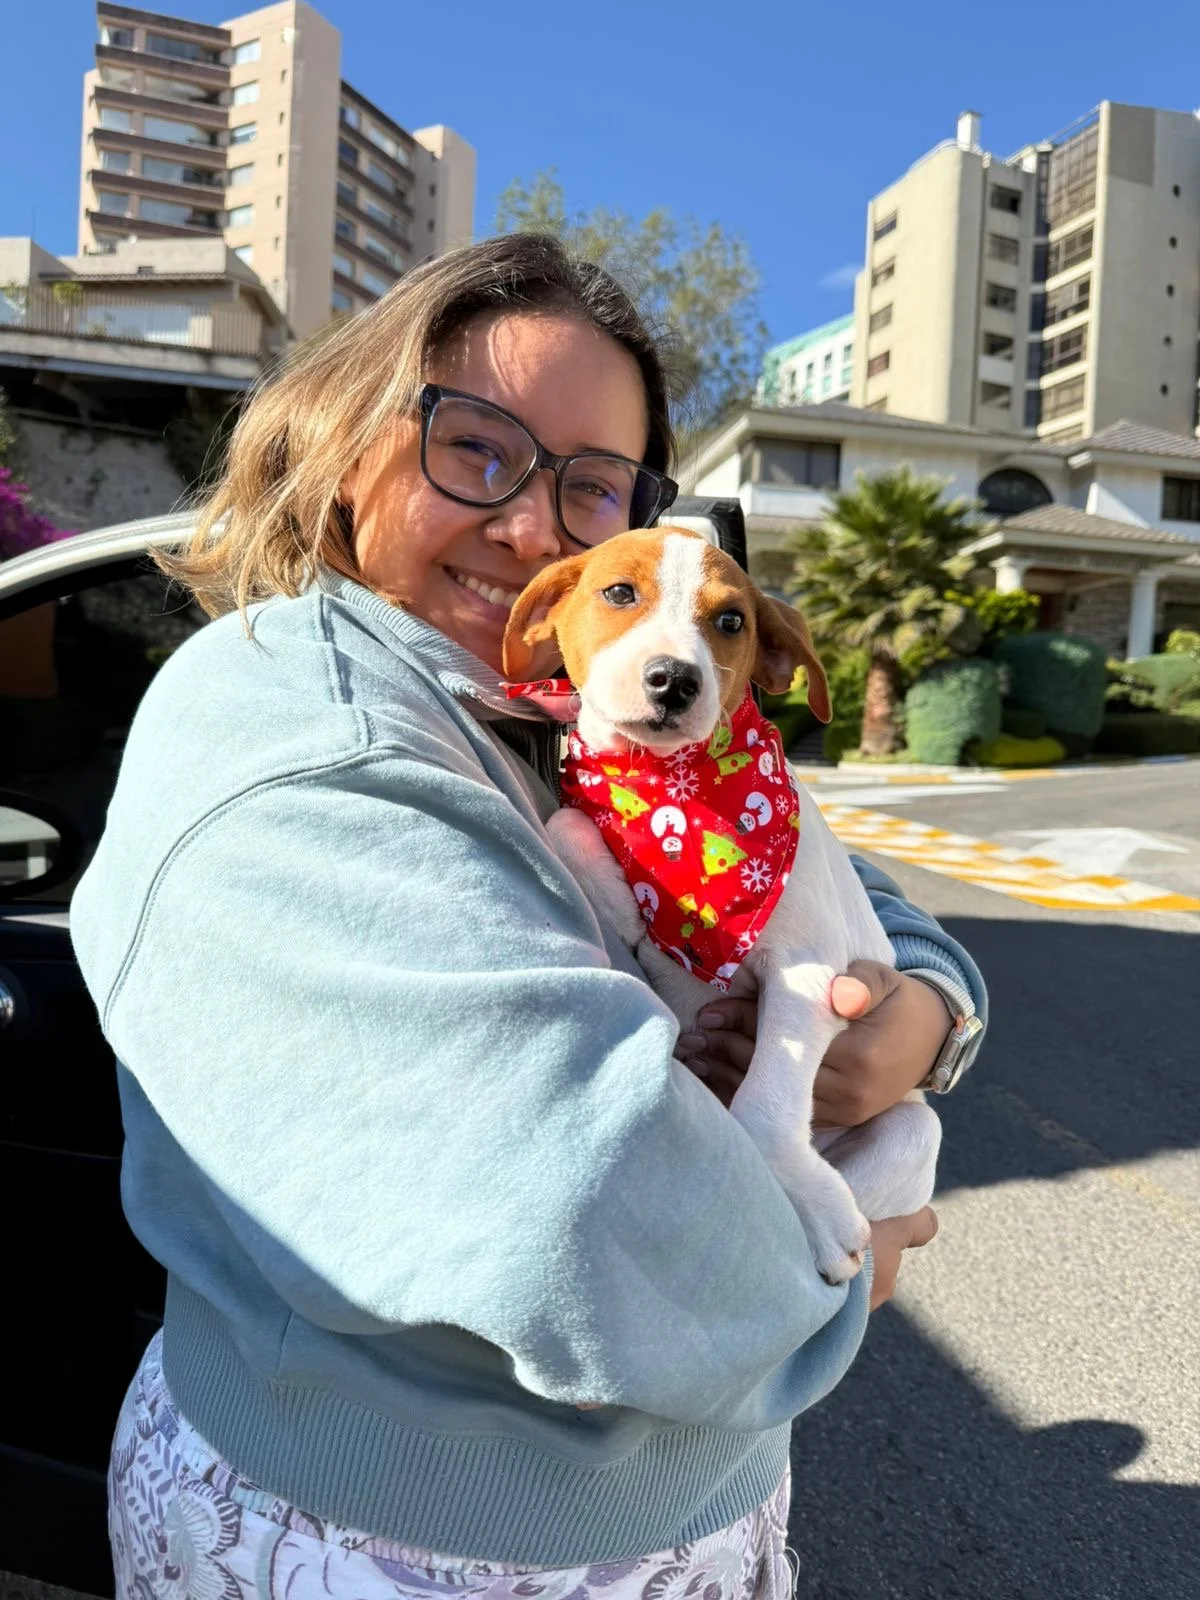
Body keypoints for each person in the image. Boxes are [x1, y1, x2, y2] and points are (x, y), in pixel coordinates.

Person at [72, 234, 985, 1598]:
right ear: (342, 446)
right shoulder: (308, 734)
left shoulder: (563, 716)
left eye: (594, 487)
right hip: (395, 1539)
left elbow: (847, 892)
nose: (533, 526)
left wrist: (920, 1017)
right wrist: (842, 1281)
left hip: (654, 1511)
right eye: (476, 449)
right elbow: (591, 1207)